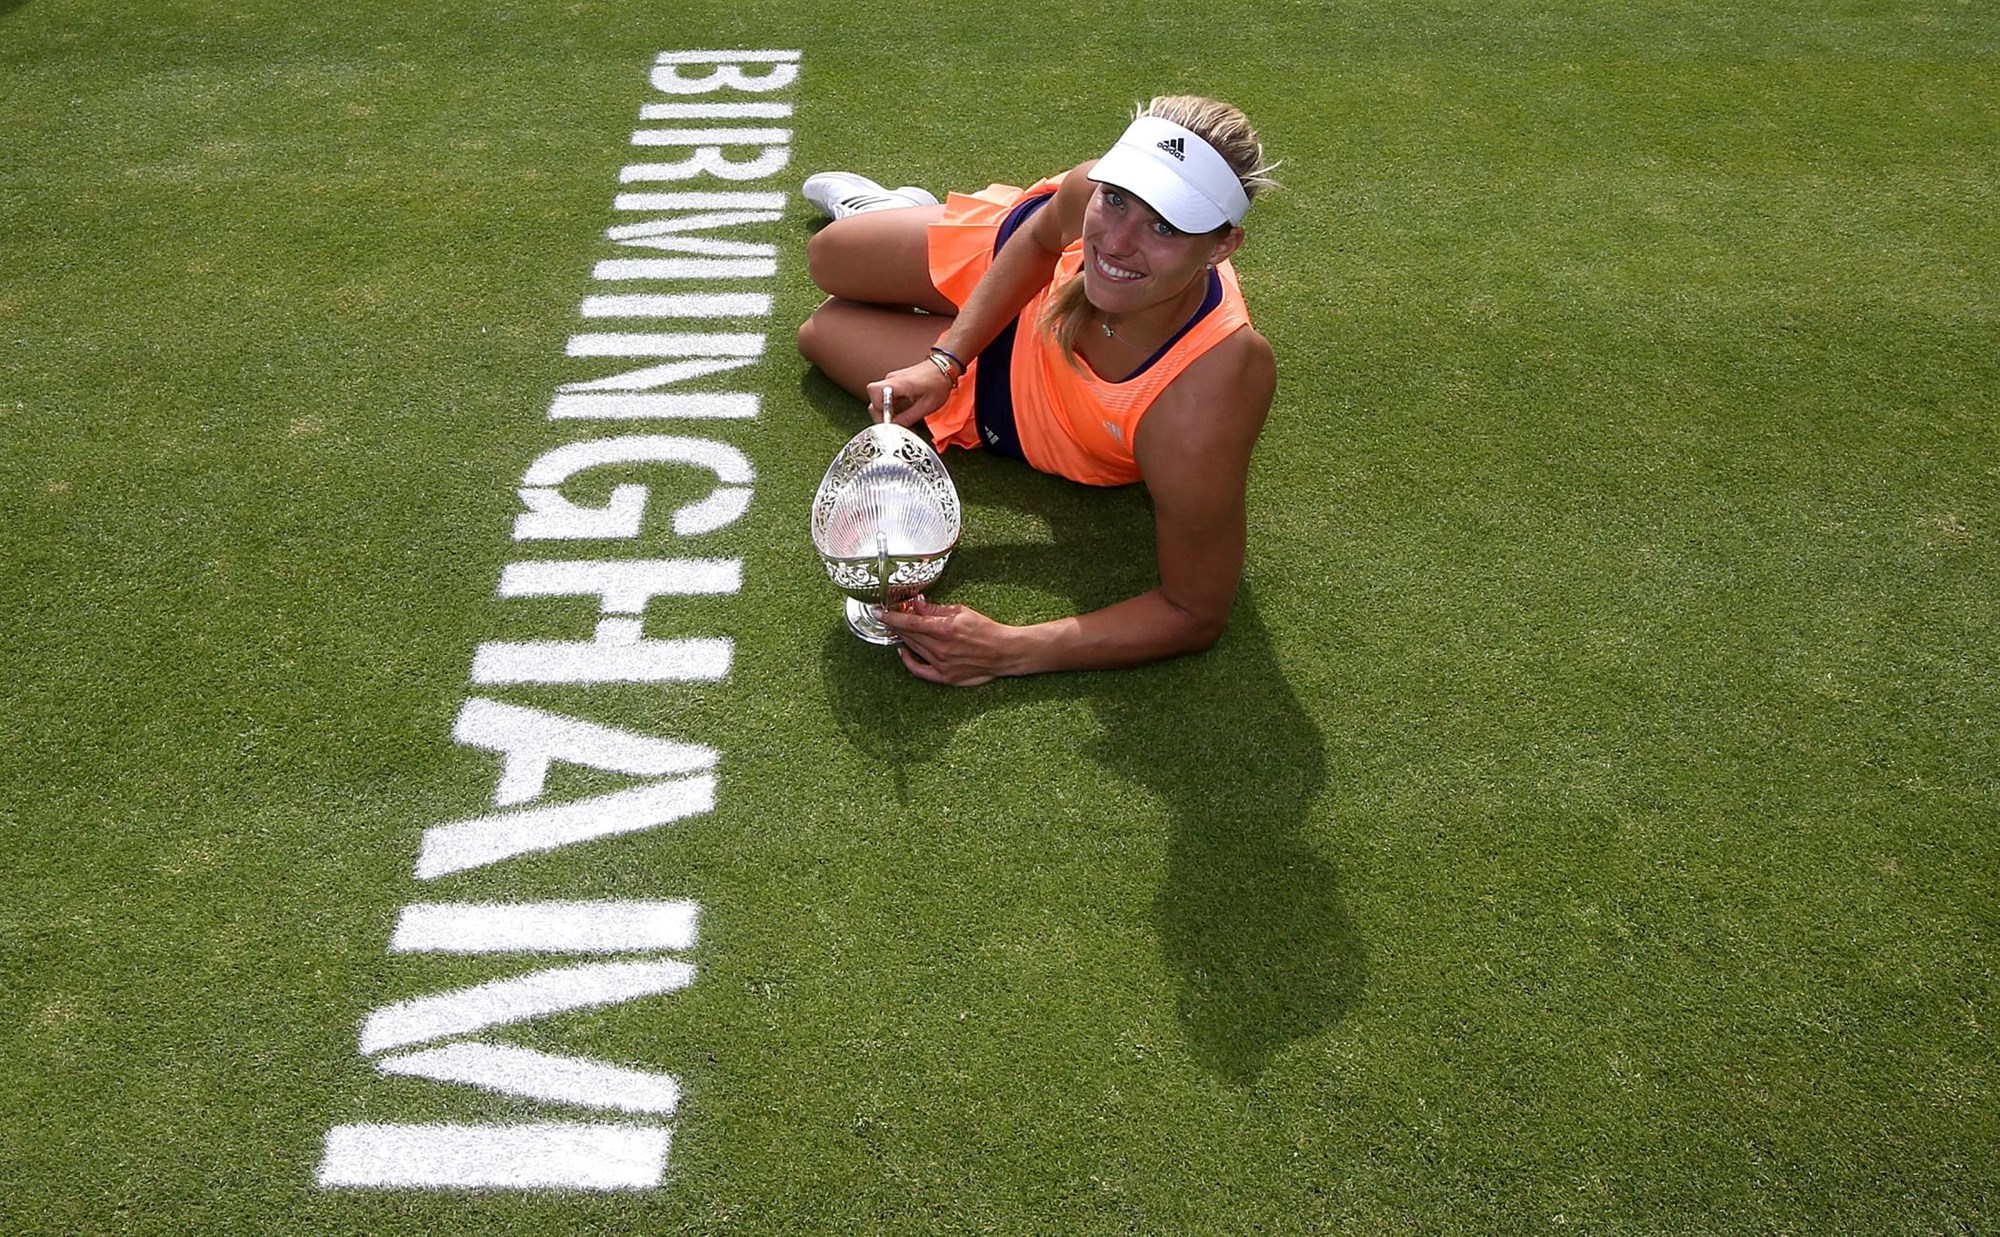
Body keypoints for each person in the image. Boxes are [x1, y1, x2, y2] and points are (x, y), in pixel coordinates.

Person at [796, 96, 1279, 687]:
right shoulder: (1088, 194)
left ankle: (901, 240)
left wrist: (1010, 649)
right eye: (1118, 199)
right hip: (1020, 284)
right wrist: (946, 361)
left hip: (1014, 408)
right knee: (827, 257)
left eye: (1165, 225)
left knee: (822, 330)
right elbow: (1042, 236)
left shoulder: (1213, 384)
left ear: (1223, 245)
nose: (1118, 241)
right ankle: (893, 212)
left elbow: (1194, 612)